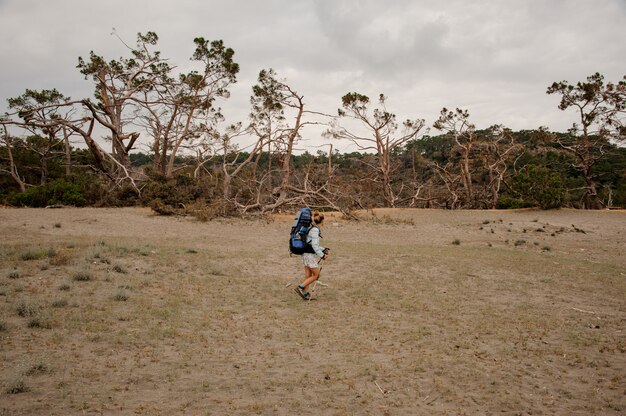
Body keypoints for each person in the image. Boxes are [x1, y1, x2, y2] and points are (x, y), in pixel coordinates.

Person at [296, 210, 329, 300]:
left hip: (305, 254)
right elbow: (314, 245)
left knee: (308, 275)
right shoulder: (315, 230)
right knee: (316, 275)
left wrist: (323, 249)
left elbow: (311, 243)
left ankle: (305, 293)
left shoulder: (311, 227)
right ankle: (301, 287)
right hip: (309, 255)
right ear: (322, 221)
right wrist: (322, 255)